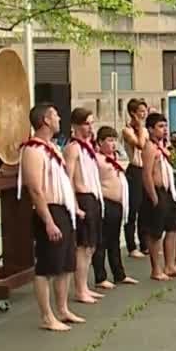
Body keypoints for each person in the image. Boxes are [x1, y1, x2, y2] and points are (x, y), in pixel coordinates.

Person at [20, 104, 83, 331]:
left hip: (63, 209)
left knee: (66, 264)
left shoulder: (53, 147)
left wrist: (73, 208)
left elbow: (64, 180)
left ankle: (63, 309)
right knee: (47, 267)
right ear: (46, 120)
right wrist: (48, 221)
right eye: (56, 115)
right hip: (48, 211)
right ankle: (47, 316)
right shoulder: (33, 151)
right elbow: (35, 189)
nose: (59, 119)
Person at [62, 108, 105, 305]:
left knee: (91, 247)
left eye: (91, 123)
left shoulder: (88, 147)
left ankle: (85, 286)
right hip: (82, 196)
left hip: (94, 196)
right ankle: (79, 289)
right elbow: (68, 178)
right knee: (83, 247)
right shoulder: (73, 148)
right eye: (87, 123)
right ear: (77, 126)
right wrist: (75, 205)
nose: (90, 127)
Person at [92, 126, 138, 289]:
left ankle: (119, 274)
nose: (113, 144)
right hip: (105, 202)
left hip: (118, 204)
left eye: (114, 140)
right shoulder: (96, 159)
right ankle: (100, 276)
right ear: (100, 142)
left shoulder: (115, 158)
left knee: (114, 241)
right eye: (109, 140)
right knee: (102, 242)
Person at [139, 112, 176, 280]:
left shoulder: (162, 146)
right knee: (155, 231)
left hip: (168, 190)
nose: (165, 130)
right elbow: (147, 174)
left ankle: (170, 265)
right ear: (150, 129)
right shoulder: (150, 147)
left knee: (172, 228)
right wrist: (153, 197)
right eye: (160, 127)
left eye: (165, 126)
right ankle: (156, 268)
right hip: (157, 191)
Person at [121, 98, 149, 259]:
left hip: (145, 169)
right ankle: (131, 246)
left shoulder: (144, 130)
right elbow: (139, 145)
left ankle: (145, 243)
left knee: (145, 209)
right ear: (133, 113)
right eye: (140, 111)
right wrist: (139, 127)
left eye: (145, 111)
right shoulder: (127, 130)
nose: (144, 114)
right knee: (133, 210)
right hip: (134, 170)